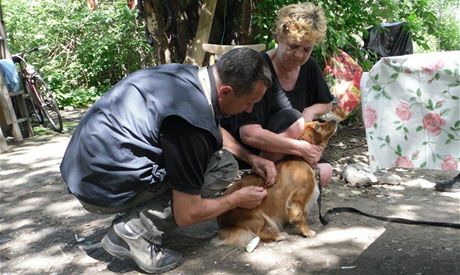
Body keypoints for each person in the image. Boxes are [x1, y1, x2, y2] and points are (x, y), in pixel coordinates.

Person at [60, 48, 277, 273]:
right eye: (249, 103)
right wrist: (236, 199)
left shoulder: (186, 77)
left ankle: (137, 217)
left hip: (84, 170)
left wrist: (251, 158)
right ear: (225, 92)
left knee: (217, 160)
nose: (249, 110)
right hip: (100, 190)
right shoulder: (191, 124)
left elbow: (212, 127)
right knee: (222, 168)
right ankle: (134, 232)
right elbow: (188, 214)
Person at [224, 2, 334, 187]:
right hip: (255, 152)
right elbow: (248, 134)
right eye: (293, 46)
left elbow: (326, 103)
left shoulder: (309, 67)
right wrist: (300, 147)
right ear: (279, 37)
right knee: (293, 118)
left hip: (290, 147)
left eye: (306, 49)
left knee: (324, 173)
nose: (299, 55)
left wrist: (310, 111)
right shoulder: (257, 69)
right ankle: (262, 180)